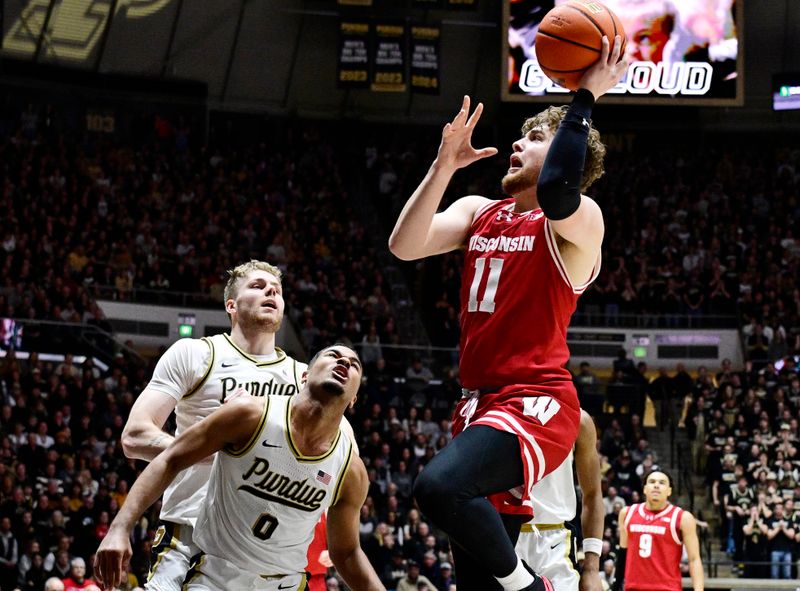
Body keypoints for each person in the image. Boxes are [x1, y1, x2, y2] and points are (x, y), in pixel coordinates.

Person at [388, 33, 627, 591]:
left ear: (567, 153)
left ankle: (529, 589)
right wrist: (444, 166)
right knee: (475, 578)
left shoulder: (578, 223)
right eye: (521, 136)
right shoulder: (479, 211)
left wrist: (583, 100)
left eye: (535, 138)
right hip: (477, 403)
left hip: (535, 400)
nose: (518, 144)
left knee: (437, 488)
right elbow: (405, 244)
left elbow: (561, 188)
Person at [95, 345, 385, 591]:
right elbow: (170, 459)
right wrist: (119, 528)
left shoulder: (351, 470)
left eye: (354, 364)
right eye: (334, 356)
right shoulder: (250, 415)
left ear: (354, 398)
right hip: (215, 576)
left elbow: (346, 553)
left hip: (286, 584)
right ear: (304, 376)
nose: (344, 362)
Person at [120, 260, 306, 591]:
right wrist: (213, 448)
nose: (271, 292)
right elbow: (134, 437)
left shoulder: (302, 379)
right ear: (230, 305)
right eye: (258, 286)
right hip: (192, 530)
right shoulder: (196, 354)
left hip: (268, 550)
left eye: (276, 289)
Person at [516, 410, 604, 591]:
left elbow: (593, 493)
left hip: (555, 540)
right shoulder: (491, 408)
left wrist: (592, 568)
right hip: (502, 535)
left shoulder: (578, 419)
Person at [618, 471, 703, 591]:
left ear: (669, 491)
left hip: (667, 588)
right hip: (633, 587)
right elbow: (623, 553)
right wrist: (616, 585)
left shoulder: (682, 517)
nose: (656, 485)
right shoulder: (627, 513)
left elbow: (694, 559)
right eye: (652, 482)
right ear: (645, 489)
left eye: (662, 483)